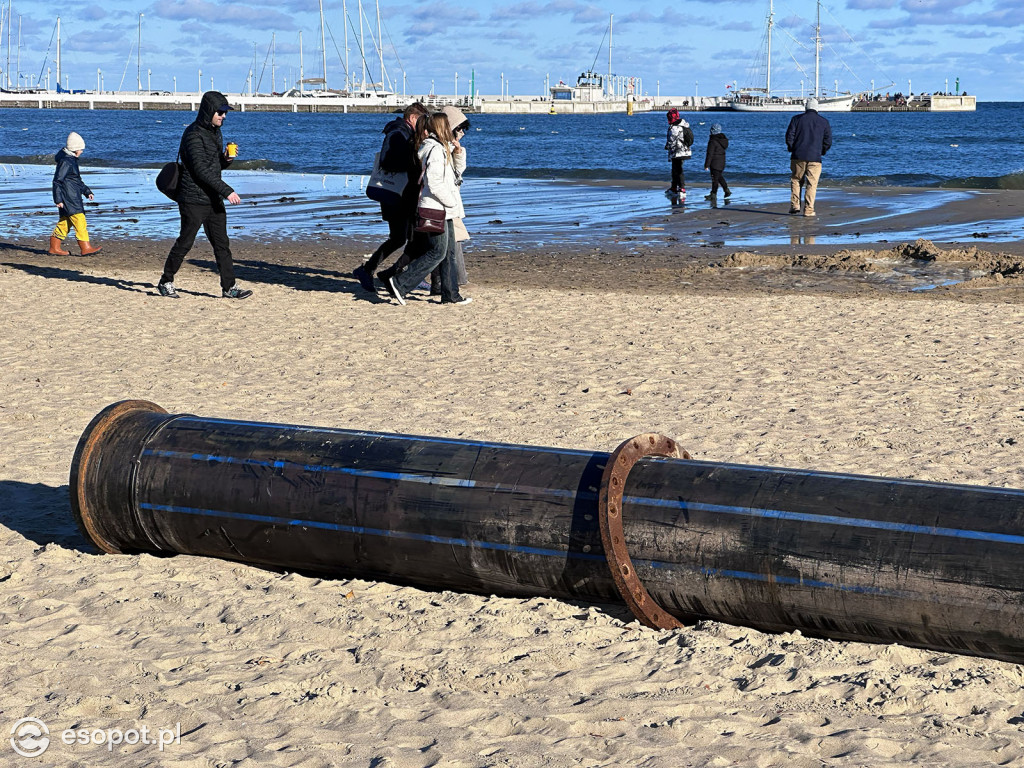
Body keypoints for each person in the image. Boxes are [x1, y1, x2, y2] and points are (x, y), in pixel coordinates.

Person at [156, 90, 252, 299]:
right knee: (185, 242)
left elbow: (214, 166)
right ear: (209, 111)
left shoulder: (216, 132)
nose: (223, 116)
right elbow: (200, 170)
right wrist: (227, 191)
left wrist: (226, 159)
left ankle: (229, 288)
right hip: (193, 199)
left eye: (225, 113)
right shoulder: (192, 134)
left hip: (213, 199)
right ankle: (166, 281)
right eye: (220, 112)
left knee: (222, 245)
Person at [381, 112, 471, 306]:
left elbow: (457, 174)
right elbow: (435, 182)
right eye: (450, 127)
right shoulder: (435, 150)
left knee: (448, 253)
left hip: (443, 208)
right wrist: (451, 202)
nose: (455, 131)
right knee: (437, 252)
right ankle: (399, 283)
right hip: (436, 207)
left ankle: (450, 294)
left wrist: (458, 152)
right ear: (442, 128)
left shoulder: (442, 148)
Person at [353, 101, 429, 292]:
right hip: (396, 196)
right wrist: (414, 163)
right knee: (403, 237)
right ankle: (380, 271)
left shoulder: (403, 132)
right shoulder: (397, 133)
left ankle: (386, 272)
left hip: (401, 195)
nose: (424, 126)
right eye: (422, 121)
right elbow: (388, 161)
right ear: (413, 118)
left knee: (405, 237)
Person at [49, 131, 102, 256]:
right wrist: (58, 199)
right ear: (74, 149)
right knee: (80, 221)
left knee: (65, 223)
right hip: (69, 198)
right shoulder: (66, 161)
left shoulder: (70, 160)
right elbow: (57, 181)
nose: (82, 152)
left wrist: (86, 191)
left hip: (71, 196)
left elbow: (76, 180)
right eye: (81, 149)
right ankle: (85, 248)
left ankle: (54, 247)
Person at [785, 98, 832, 217]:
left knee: (796, 180)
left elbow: (789, 136)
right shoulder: (824, 122)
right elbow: (828, 141)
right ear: (817, 108)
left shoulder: (796, 119)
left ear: (806, 107)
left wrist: (792, 148)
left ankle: (795, 205)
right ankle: (808, 209)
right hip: (815, 157)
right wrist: (822, 151)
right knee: (812, 184)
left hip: (798, 155)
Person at [664, 108, 693, 198]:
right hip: (685, 151)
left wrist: (667, 146)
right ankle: (678, 188)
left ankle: (679, 188)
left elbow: (671, 141)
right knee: (679, 169)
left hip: (676, 152)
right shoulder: (684, 125)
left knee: (676, 170)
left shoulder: (673, 128)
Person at [703, 123, 731, 202]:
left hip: (714, 163)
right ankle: (725, 190)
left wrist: (706, 165)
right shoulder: (723, 140)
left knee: (715, 179)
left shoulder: (712, 141)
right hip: (722, 162)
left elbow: (710, 154)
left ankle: (714, 194)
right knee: (719, 177)